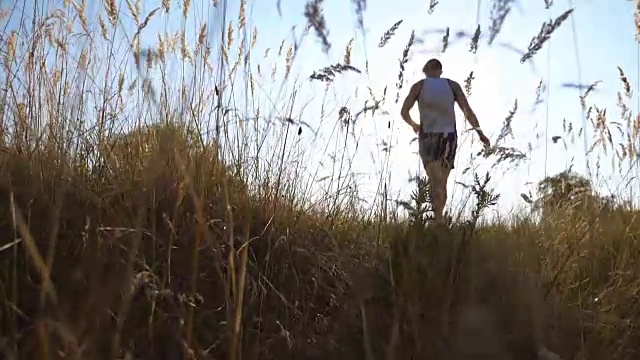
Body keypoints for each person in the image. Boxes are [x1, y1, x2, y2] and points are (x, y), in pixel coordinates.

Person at [400, 58, 490, 224]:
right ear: (440, 71)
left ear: (426, 70)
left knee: (434, 180)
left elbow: (404, 111)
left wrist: (414, 125)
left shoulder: (419, 86)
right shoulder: (452, 85)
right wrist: (480, 133)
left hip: (428, 136)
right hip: (449, 136)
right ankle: (439, 220)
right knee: (441, 181)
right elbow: (467, 111)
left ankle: (438, 220)